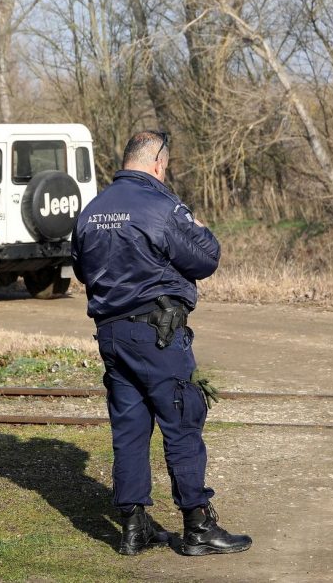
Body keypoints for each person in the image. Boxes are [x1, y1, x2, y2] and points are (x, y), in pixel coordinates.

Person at [71, 130, 252, 557]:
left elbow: (81, 268)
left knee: (129, 429)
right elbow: (205, 259)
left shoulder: (91, 211)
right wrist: (202, 229)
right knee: (182, 420)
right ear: (156, 163)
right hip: (157, 334)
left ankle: (134, 528)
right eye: (165, 167)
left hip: (111, 335)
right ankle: (197, 526)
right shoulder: (161, 206)